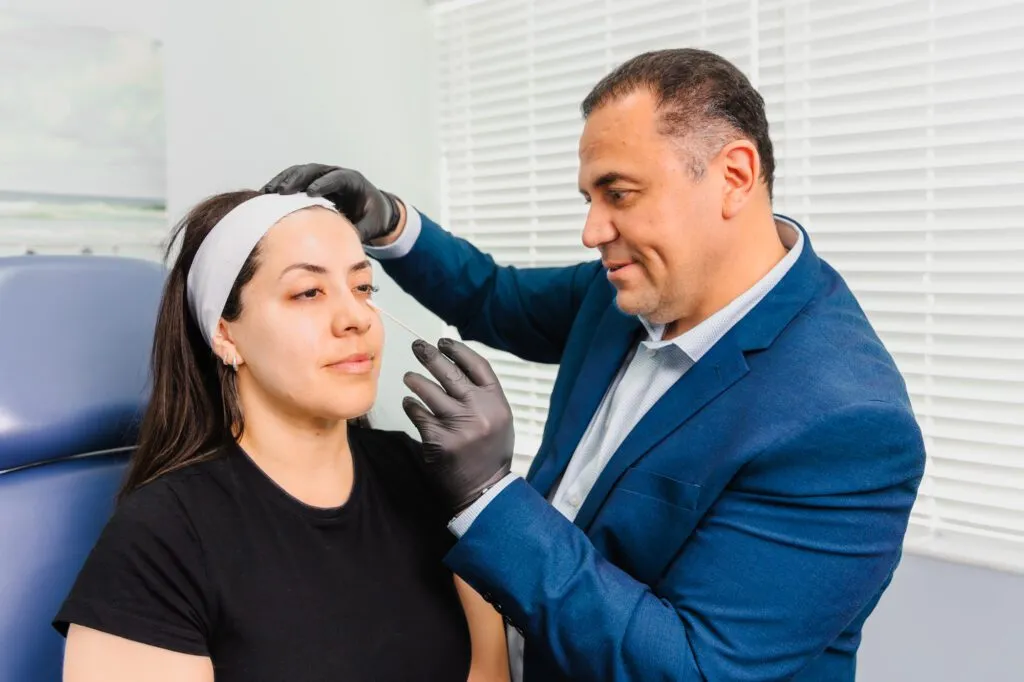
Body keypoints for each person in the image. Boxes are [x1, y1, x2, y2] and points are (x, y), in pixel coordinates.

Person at [264, 48, 927, 682]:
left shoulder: (847, 424)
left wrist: (487, 496)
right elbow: (493, 298)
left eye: (619, 193)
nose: (592, 230)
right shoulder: (630, 290)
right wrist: (389, 224)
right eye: (589, 197)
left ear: (733, 175)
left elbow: (693, 669)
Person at [53, 190, 510, 682]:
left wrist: (488, 502)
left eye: (362, 288)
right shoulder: (161, 538)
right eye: (308, 293)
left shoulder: (430, 476)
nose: (355, 317)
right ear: (225, 335)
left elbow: (489, 671)